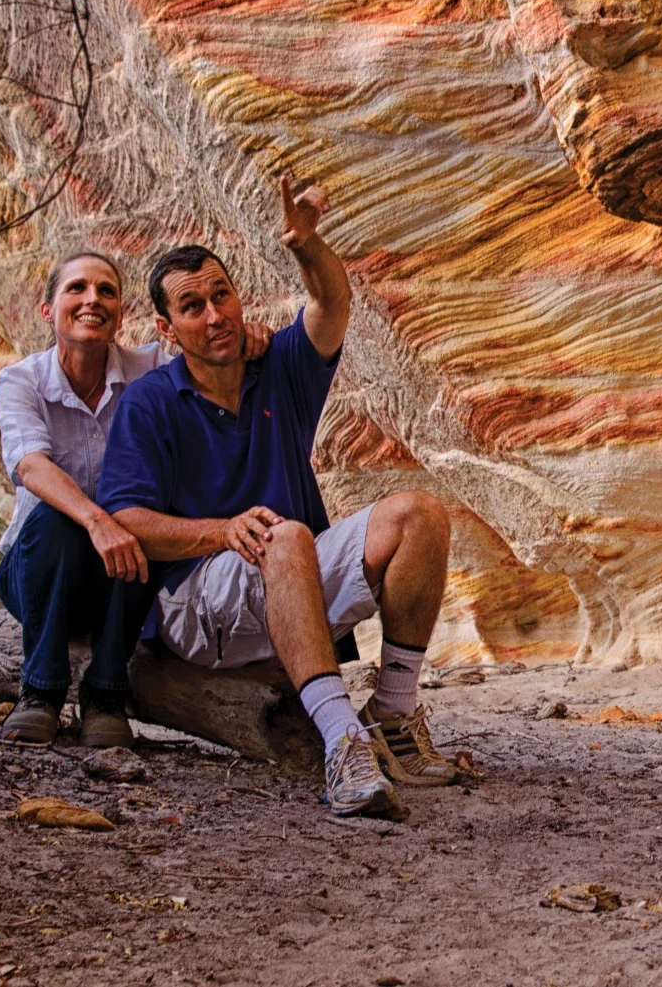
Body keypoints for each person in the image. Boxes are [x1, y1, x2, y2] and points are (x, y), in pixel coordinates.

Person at [97, 176, 455, 820]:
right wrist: (220, 531)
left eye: (221, 295)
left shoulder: (279, 368)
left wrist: (305, 244)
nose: (215, 316)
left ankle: (393, 714)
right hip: (198, 605)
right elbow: (126, 519)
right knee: (283, 535)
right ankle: (342, 745)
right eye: (192, 307)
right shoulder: (150, 401)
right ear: (166, 328)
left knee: (420, 514)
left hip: (289, 579)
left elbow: (331, 303)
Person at [0, 251, 271, 746]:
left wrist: (244, 338)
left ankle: (105, 693)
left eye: (107, 291)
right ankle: (40, 691)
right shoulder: (21, 380)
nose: (92, 300)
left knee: (146, 523)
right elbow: (30, 465)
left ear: (120, 315)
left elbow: (207, 356)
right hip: (39, 572)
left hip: (120, 581)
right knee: (61, 522)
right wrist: (98, 521)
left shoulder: (152, 369)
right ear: (47, 310)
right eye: (77, 289)